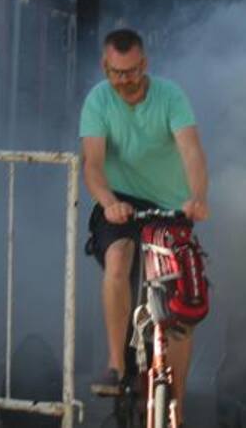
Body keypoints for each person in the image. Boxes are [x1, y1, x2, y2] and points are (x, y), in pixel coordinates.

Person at [80, 28, 209, 425]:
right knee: (118, 259)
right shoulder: (98, 100)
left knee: (181, 310)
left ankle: (178, 405)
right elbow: (93, 165)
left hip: (171, 205)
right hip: (120, 202)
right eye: (118, 73)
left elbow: (191, 151)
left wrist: (197, 197)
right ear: (106, 68)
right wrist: (109, 203)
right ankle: (117, 363)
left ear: (145, 65)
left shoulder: (170, 96)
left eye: (134, 71)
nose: (127, 81)